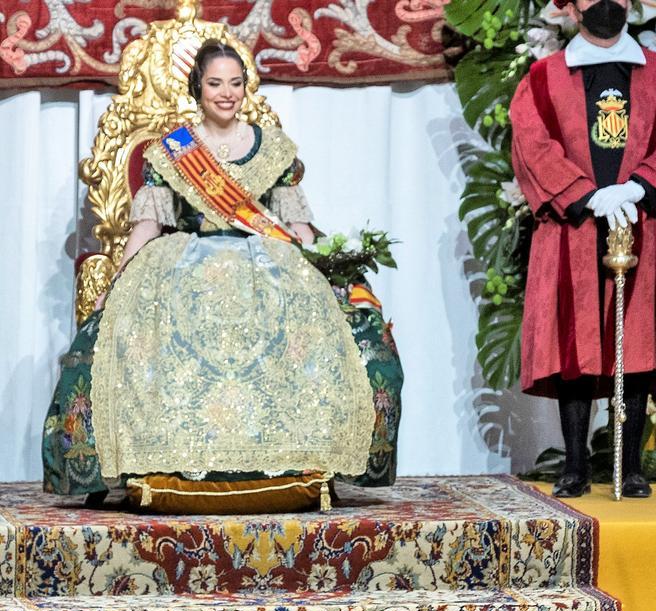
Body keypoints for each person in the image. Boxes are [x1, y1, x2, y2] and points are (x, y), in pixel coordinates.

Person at [41, 41, 403, 504]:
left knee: (334, 325)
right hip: (182, 263)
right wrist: (114, 286)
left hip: (267, 260)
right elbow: (148, 226)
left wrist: (333, 271)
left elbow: (296, 227)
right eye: (216, 83)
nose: (226, 93)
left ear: (245, 87)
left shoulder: (274, 151)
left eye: (235, 83)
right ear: (198, 88)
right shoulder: (175, 150)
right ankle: (161, 459)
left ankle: (297, 459)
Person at [509, 0, 656, 498]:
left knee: (633, 341)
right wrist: (586, 195)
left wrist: (638, 187)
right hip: (572, 226)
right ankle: (574, 465)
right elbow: (533, 145)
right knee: (574, 343)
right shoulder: (542, 78)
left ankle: (630, 466)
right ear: (570, 8)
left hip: (639, 219)